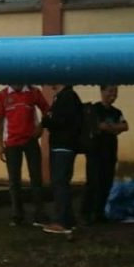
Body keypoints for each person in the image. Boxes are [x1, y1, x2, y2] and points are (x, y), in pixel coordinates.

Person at [0, 85, 51, 227]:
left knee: (36, 178)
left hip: (31, 141)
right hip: (12, 143)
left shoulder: (33, 92)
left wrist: (40, 127)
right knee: (14, 180)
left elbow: (47, 110)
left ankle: (39, 214)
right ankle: (17, 215)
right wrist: (0, 144)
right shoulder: (3, 95)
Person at [82, 85, 128, 224]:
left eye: (115, 92)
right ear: (102, 91)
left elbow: (125, 126)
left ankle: (100, 213)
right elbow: (95, 126)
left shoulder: (117, 111)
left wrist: (109, 127)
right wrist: (114, 128)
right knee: (93, 182)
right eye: (110, 91)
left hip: (110, 152)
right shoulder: (94, 109)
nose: (113, 95)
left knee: (106, 183)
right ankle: (87, 213)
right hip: (95, 152)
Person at [41, 84, 82, 234]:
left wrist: (46, 121)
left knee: (60, 184)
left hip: (63, 146)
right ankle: (69, 220)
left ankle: (61, 221)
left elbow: (61, 120)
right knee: (62, 183)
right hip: (63, 146)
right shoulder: (63, 97)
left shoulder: (67, 97)